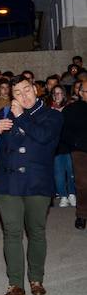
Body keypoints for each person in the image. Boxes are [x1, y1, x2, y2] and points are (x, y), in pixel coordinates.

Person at [0, 76, 63, 295]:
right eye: (17, 93)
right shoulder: (4, 113)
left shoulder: (52, 116)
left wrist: (20, 116)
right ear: (11, 96)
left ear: (36, 90)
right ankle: (15, 284)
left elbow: (43, 137)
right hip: (7, 183)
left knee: (36, 231)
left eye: (27, 90)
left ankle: (36, 279)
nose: (23, 96)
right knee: (12, 232)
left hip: (37, 182)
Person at [61, 81, 87, 229]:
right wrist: (76, 143)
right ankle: (82, 214)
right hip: (80, 151)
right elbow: (64, 131)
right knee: (83, 182)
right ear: (81, 93)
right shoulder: (71, 109)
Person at [49, 85, 75, 208]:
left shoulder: (70, 108)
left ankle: (72, 194)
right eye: (55, 93)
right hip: (56, 145)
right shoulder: (50, 110)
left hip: (69, 144)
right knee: (58, 172)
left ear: (64, 95)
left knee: (71, 170)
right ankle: (63, 195)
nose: (57, 95)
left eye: (60, 93)